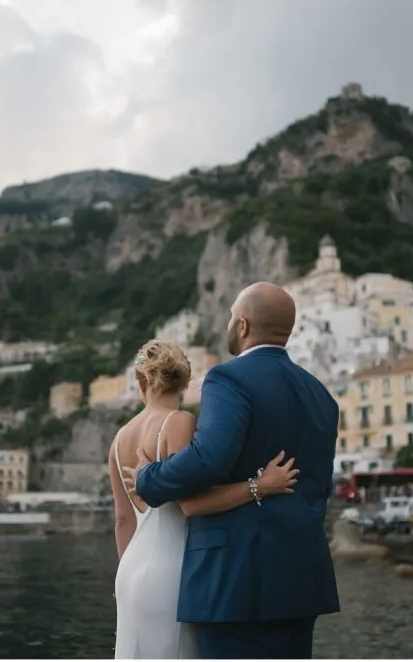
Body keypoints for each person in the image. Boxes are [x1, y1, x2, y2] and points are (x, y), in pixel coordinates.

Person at [125, 282, 341, 659]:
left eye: (229, 317)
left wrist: (149, 477)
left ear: (242, 326)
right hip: (302, 578)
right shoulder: (320, 394)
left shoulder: (231, 379)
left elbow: (209, 458)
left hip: (236, 581)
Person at [110, 338, 300, 659]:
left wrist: (125, 580)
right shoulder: (179, 422)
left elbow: (122, 520)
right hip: (171, 570)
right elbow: (192, 503)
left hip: (129, 571)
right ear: (184, 382)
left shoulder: (119, 438)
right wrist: (260, 485)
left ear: (141, 383)